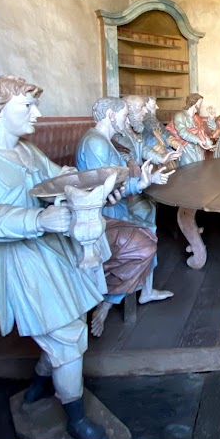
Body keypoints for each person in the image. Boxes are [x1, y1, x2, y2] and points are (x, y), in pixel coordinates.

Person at [0, 76, 111, 439]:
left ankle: (38, 386)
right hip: (17, 257)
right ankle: (77, 420)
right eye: (28, 106)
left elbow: (58, 177)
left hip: (52, 249)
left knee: (67, 323)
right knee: (65, 333)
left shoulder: (27, 151)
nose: (37, 114)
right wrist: (36, 220)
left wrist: (95, 184)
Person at [76, 97, 174, 337]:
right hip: (103, 215)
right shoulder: (95, 143)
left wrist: (144, 180)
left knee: (149, 231)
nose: (126, 119)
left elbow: (118, 181)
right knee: (144, 239)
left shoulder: (104, 141)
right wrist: (138, 184)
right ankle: (108, 301)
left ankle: (133, 293)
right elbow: (107, 190)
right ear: (111, 115)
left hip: (116, 208)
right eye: (123, 115)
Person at [115, 95, 181, 172]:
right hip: (139, 170)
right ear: (129, 110)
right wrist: (160, 156)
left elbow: (143, 149)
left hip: (152, 163)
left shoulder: (136, 127)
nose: (145, 111)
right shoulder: (121, 133)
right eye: (141, 107)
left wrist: (173, 143)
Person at [166, 93, 217, 165]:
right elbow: (182, 132)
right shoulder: (180, 115)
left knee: (199, 167)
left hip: (198, 148)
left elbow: (202, 133)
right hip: (186, 148)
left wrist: (209, 144)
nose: (200, 105)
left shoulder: (196, 118)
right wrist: (198, 140)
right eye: (200, 103)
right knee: (188, 168)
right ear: (194, 103)